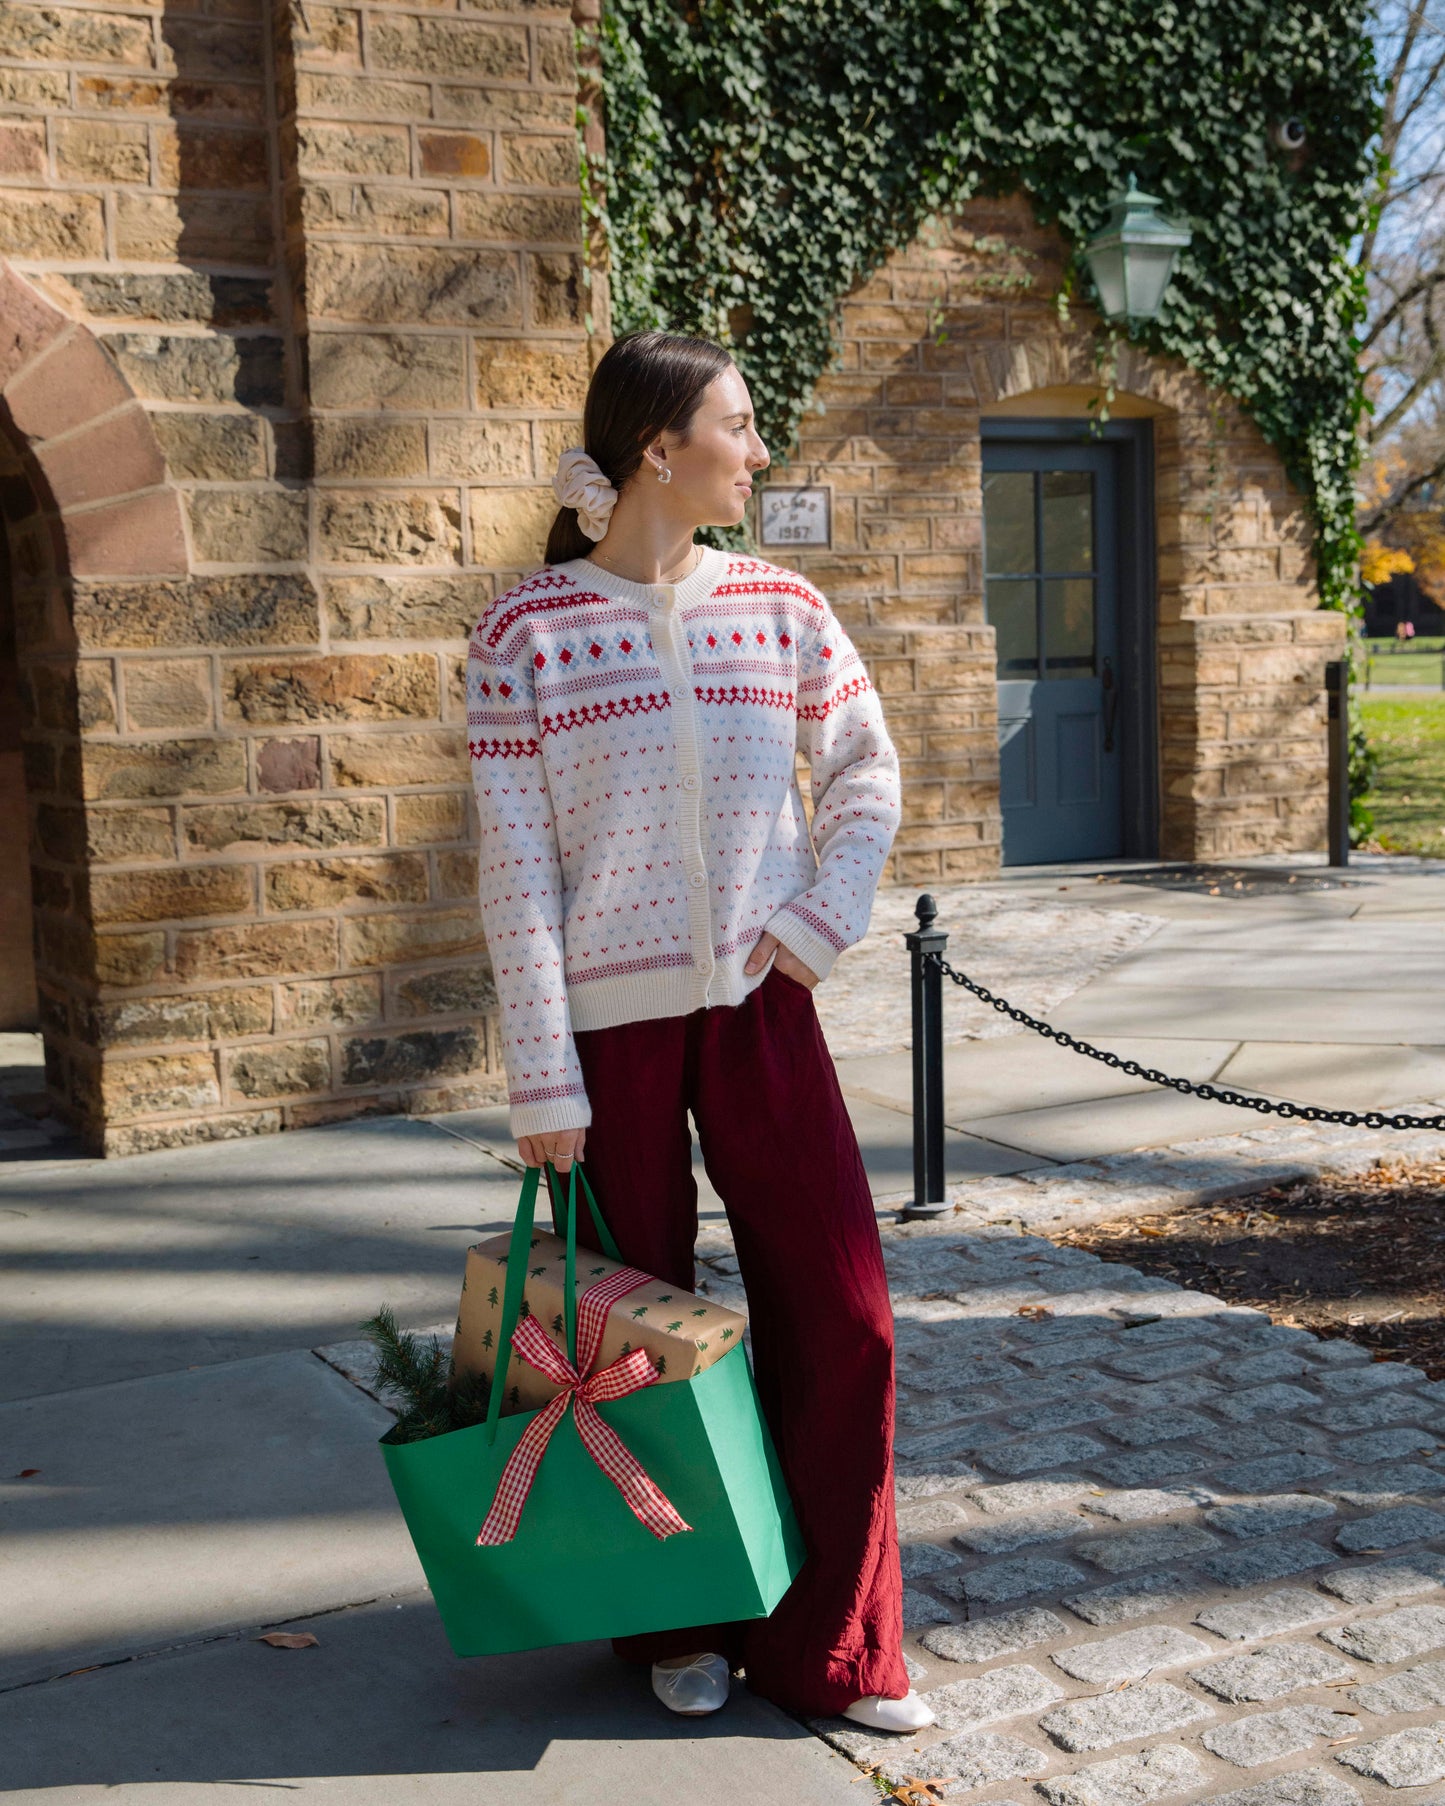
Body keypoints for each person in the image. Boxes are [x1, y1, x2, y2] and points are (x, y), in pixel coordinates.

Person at [465, 328, 933, 1733]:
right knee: (628, 1339)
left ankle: (832, 1645)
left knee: (843, 1318)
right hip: (605, 1042)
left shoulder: (783, 606)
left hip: (759, 1012)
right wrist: (543, 1072)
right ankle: (668, 1619)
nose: (762, 447)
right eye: (741, 423)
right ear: (659, 449)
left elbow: (864, 775)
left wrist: (807, 929)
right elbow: (514, 868)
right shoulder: (522, 634)